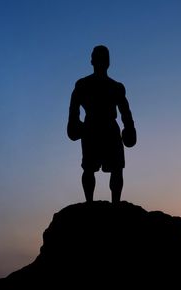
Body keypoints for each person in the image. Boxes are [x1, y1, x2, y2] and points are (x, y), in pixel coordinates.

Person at [67, 45, 136, 203]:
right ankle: (90, 203)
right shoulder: (83, 85)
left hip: (106, 129)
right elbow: (73, 110)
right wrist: (73, 124)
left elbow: (126, 112)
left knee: (116, 168)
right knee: (89, 168)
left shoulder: (116, 87)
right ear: (92, 61)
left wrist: (129, 128)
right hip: (92, 128)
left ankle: (115, 203)